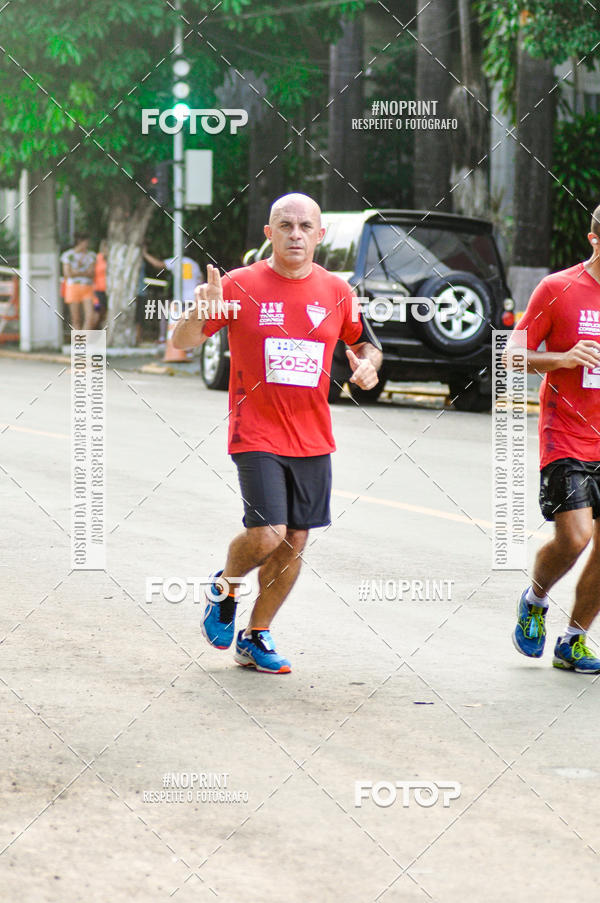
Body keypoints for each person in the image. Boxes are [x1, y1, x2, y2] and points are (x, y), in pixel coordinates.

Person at [173, 193, 382, 674]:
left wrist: (368, 365)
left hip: (313, 439)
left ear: (319, 235)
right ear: (269, 233)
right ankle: (224, 588)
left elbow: (366, 343)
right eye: (285, 225)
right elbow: (182, 342)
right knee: (268, 533)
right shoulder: (239, 285)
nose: (295, 234)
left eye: (305, 226)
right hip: (257, 432)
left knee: (294, 543)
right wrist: (197, 312)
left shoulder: (336, 291)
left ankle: (256, 635)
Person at [512, 204, 600, 674]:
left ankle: (574, 640)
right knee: (575, 538)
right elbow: (512, 356)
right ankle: (535, 599)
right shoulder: (559, 289)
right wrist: (565, 358)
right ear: (594, 239)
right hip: (567, 435)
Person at [143, 248, 203, 343]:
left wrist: (145, 254)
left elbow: (158, 264)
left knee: (166, 315)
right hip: (193, 298)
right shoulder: (194, 264)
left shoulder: (177, 261)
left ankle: (163, 339)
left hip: (181, 297)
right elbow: (200, 279)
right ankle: (190, 345)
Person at [60, 234, 96, 330]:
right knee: (76, 318)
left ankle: (85, 338)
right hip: (73, 287)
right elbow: (67, 273)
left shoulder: (91, 255)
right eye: (85, 242)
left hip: (87, 287)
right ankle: (79, 342)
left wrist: (76, 272)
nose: (87, 244)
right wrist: (84, 272)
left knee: (90, 316)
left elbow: (92, 273)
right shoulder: (68, 255)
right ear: (80, 242)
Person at [93, 239, 108, 328]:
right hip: (97, 291)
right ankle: (87, 337)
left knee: (105, 315)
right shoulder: (97, 258)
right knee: (97, 313)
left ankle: (100, 337)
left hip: (108, 291)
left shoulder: (112, 259)